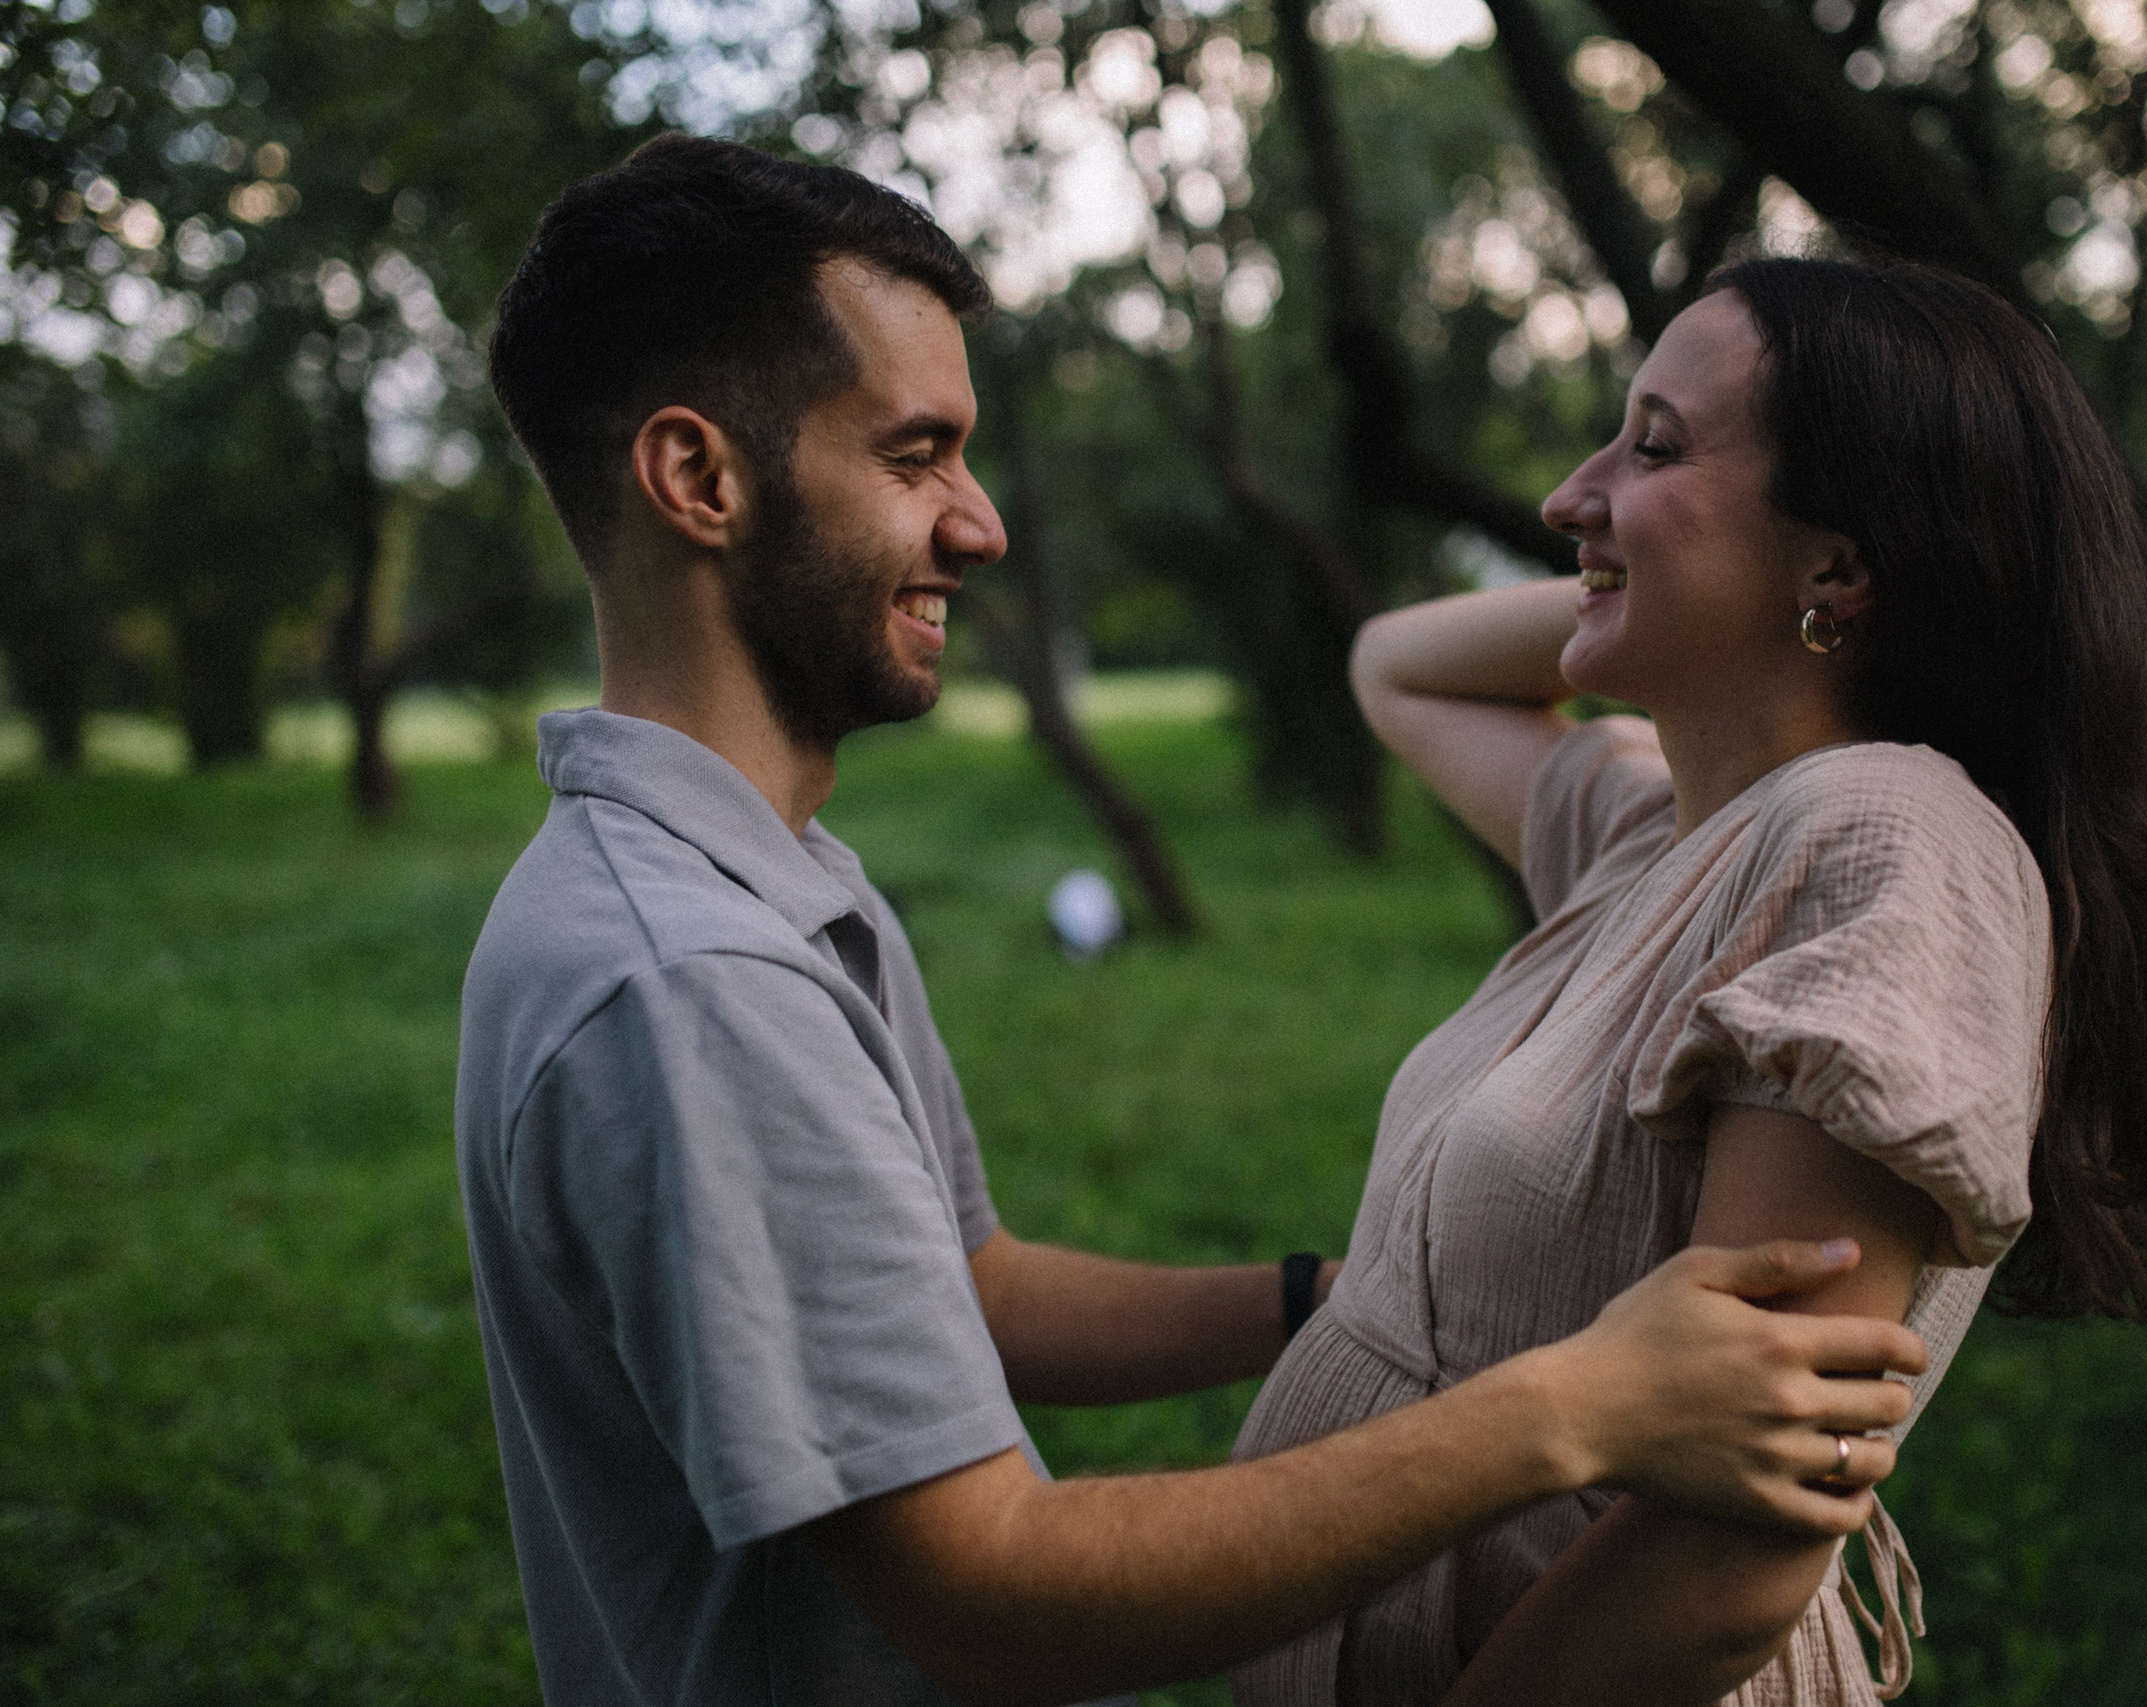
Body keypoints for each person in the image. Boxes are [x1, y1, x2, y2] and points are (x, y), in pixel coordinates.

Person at [455, 135, 1937, 1707]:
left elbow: (975, 1292)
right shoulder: (693, 984)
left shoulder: (761, 878)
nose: (979, 525)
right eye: (915, 456)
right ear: (700, 480)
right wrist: (1572, 1408)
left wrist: (1334, 1302)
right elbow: (998, 1598)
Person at [1229, 259, 2147, 1706]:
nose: (1567, 496)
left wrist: (1655, 575)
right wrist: (1642, 567)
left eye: (1654, 444)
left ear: (1841, 566)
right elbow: (1398, 667)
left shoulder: (1885, 841)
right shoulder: (1665, 830)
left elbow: (1727, 1554)